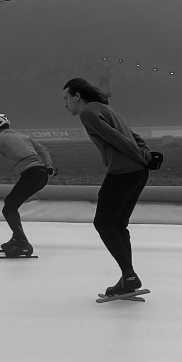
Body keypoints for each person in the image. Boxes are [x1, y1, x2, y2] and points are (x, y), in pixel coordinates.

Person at [62, 77, 151, 297]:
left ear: (77, 96)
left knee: (103, 223)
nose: (65, 104)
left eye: (66, 98)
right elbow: (133, 134)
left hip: (123, 172)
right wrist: (145, 154)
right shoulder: (103, 108)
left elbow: (117, 139)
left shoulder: (88, 113)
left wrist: (142, 155)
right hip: (138, 172)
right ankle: (127, 278)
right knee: (118, 225)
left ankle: (129, 275)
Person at [0, 114, 55, 257]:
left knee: (9, 207)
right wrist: (49, 166)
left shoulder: (0, 139)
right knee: (10, 204)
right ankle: (17, 238)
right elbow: (43, 150)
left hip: (31, 175)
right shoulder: (23, 136)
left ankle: (23, 243)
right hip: (41, 174)